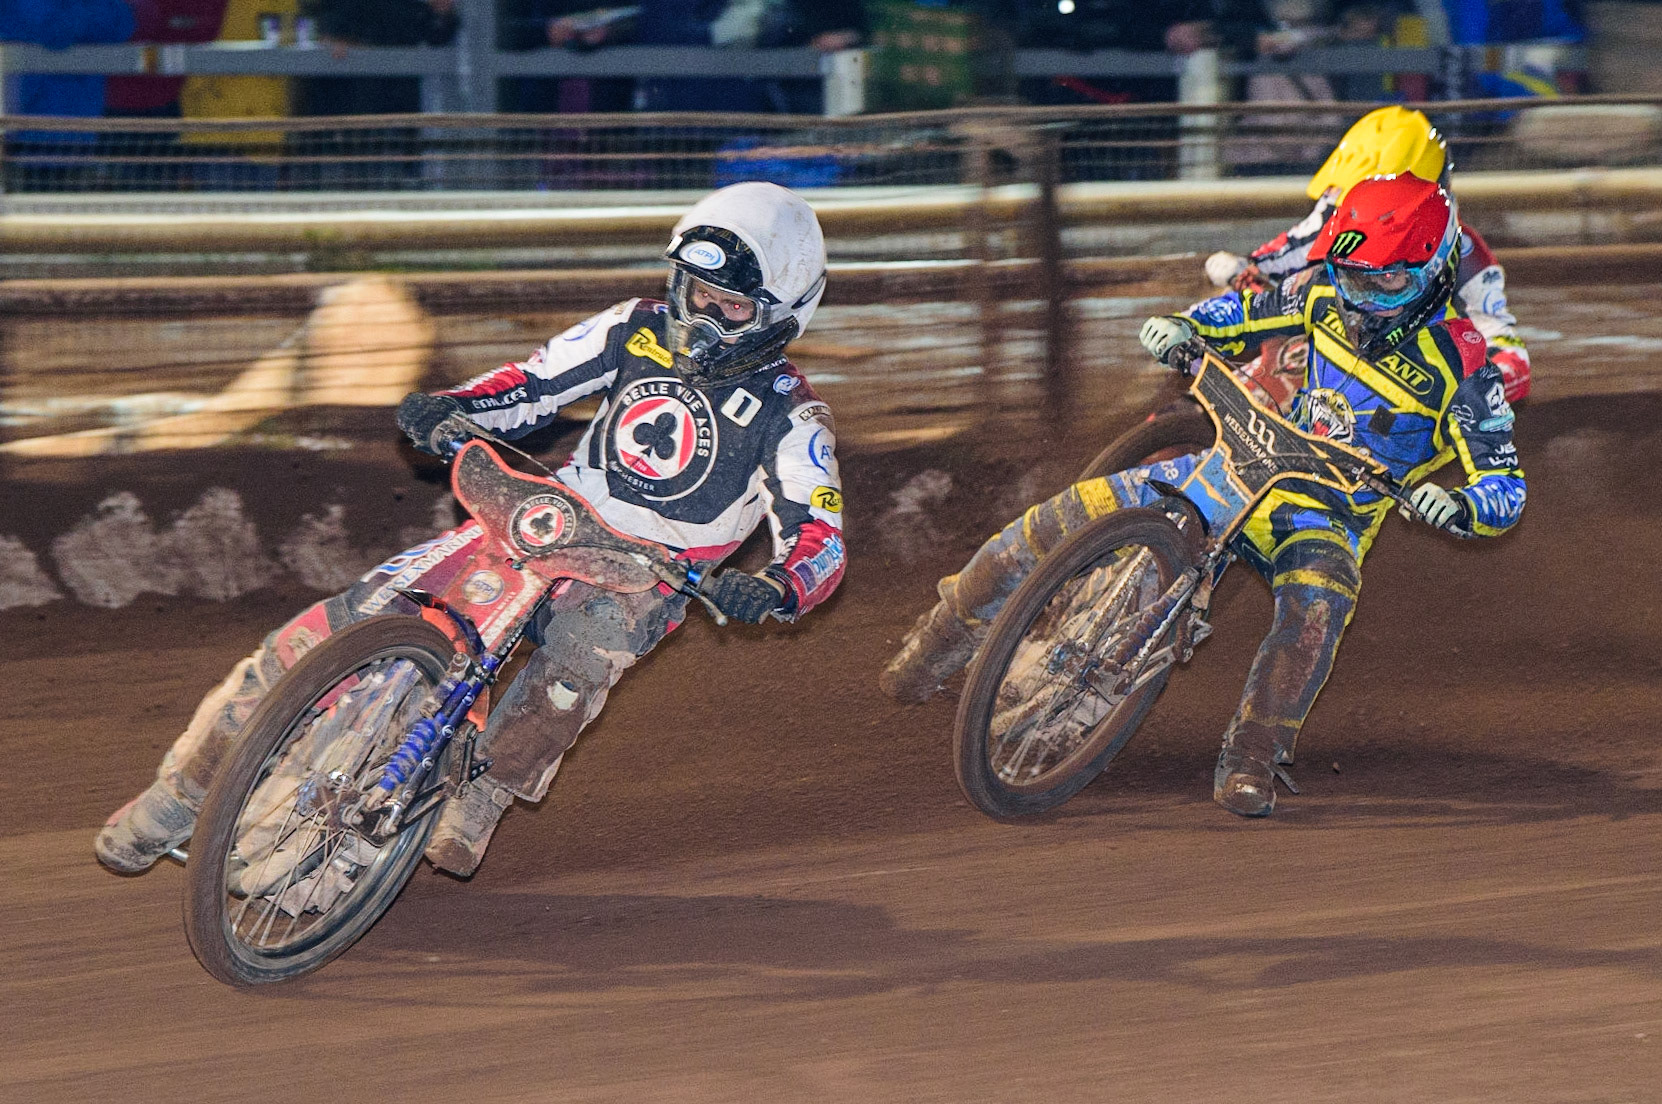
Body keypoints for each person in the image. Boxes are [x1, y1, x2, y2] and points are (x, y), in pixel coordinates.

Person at [97, 181, 846, 877]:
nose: (703, 317)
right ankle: (185, 790)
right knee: (341, 623)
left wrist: (777, 586)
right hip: (548, 516)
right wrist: (454, 407)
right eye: (697, 292)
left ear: (782, 313)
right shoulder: (635, 326)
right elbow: (533, 382)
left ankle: (486, 788)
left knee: (579, 658)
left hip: (649, 571)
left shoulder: (792, 414)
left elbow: (821, 536)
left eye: (730, 306)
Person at [880, 172, 1525, 817]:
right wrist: (1183, 326)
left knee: (1314, 615)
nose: (1363, 299)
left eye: (1386, 283)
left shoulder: (1468, 367)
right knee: (1054, 520)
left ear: (1436, 269)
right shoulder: (1322, 291)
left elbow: (1505, 485)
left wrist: (1461, 506)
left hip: (1325, 517)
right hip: (1236, 464)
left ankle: (1252, 757)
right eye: (1352, 276)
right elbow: (1243, 310)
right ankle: (939, 640)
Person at [1204, 106, 1532, 403]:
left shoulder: (1464, 253)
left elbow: (1510, 356)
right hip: (1328, 366)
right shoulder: (1340, 222)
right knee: (1235, 363)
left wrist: (1468, 391)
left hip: (1407, 396)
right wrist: (1242, 272)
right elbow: (1267, 263)